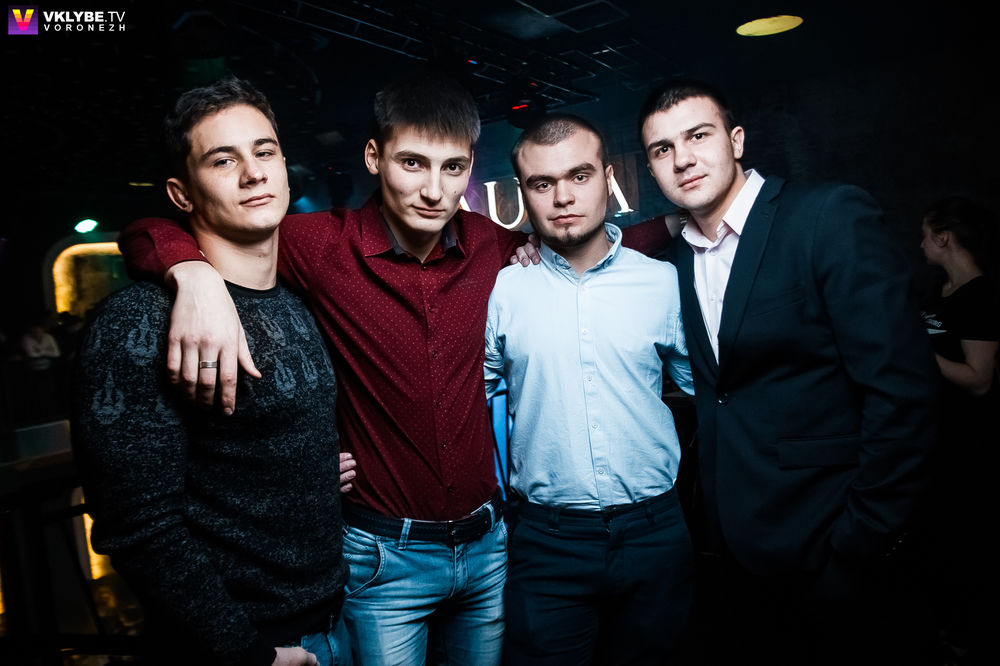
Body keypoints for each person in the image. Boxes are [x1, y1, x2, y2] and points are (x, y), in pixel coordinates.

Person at [117, 73, 526, 665]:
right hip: (383, 556)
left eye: (454, 168)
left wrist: (665, 228)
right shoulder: (316, 245)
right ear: (374, 158)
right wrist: (191, 270)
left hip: (487, 545)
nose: (434, 190)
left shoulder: (490, 244)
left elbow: (579, 244)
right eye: (413, 163)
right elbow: (150, 229)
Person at [634, 78, 939, 664]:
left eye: (698, 136)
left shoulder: (825, 216)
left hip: (834, 543)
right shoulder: (673, 262)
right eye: (663, 148)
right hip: (735, 556)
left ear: (736, 140)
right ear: (651, 169)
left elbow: (903, 391)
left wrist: (863, 535)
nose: (683, 159)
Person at [72, 78, 350, 666]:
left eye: (264, 151)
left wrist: (309, 474)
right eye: (223, 160)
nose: (253, 173)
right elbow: (139, 527)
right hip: (248, 645)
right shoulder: (139, 321)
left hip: (337, 617)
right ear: (182, 194)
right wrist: (248, 653)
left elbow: (246, 455)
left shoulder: (296, 301)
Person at [485, 114, 694, 665]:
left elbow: (714, 395)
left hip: (654, 530)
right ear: (523, 193)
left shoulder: (661, 281)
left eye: (579, 176)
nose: (562, 197)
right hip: (546, 540)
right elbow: (462, 400)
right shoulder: (504, 289)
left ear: (607, 177)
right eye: (542, 183)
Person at [918, 196, 999, 663]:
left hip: (970, 442)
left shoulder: (981, 296)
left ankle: (970, 639)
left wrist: (918, 352)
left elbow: (979, 379)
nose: (921, 244)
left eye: (926, 235)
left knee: (969, 540)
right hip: (934, 435)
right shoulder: (940, 289)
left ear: (944, 237)